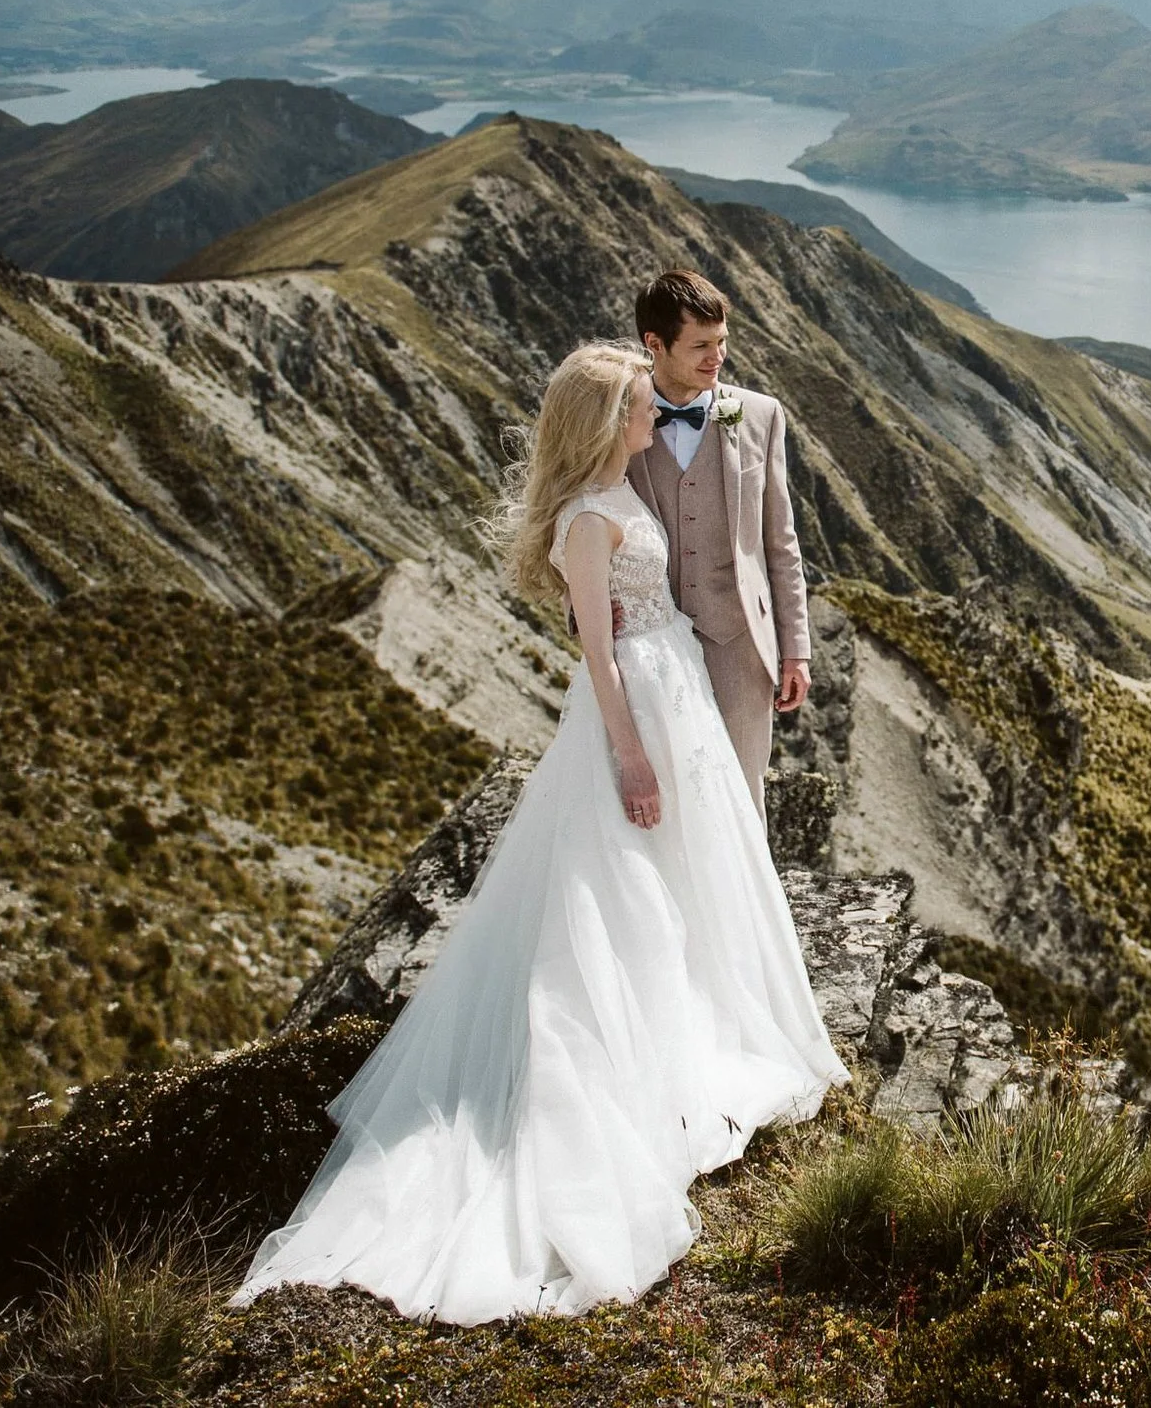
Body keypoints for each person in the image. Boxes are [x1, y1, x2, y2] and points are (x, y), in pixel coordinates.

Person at [233, 340, 848, 1325]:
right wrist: (631, 756)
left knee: (680, 875)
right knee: (623, 892)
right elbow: (598, 657)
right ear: (608, 425)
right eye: (641, 409)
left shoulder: (613, 491)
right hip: (635, 709)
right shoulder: (584, 521)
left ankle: (686, 1019)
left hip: (673, 693)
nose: (654, 421)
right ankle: (623, 1061)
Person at [623, 269, 810, 812]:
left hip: (740, 644)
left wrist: (795, 648)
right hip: (646, 643)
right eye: (701, 345)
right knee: (657, 795)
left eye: (722, 341)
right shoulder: (614, 416)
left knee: (739, 795)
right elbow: (577, 518)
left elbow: (781, 543)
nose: (717, 357)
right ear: (653, 344)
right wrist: (581, 612)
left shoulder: (759, 414)